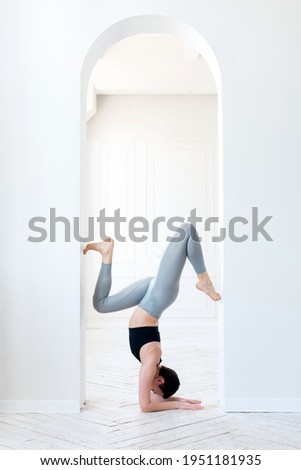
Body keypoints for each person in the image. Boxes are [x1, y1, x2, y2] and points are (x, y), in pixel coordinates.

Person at [83, 222, 221, 412]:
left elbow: (153, 400)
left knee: (101, 304)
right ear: (159, 380)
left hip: (153, 294)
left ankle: (106, 251)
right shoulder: (151, 361)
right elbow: (145, 406)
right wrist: (178, 405)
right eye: (154, 389)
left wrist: (180, 399)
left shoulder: (153, 361)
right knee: (187, 230)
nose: (150, 390)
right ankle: (204, 280)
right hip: (158, 296)